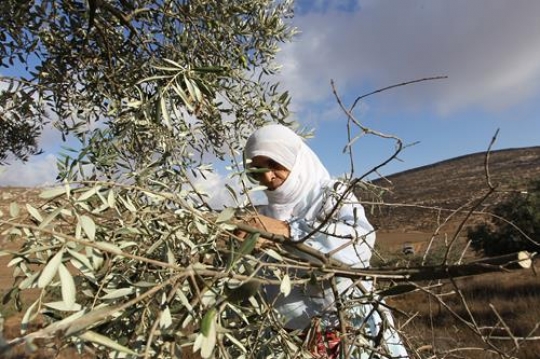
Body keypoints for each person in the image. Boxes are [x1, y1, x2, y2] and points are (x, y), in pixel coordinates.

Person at [243, 124, 409, 359]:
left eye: (274, 164)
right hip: (290, 343)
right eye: (257, 171)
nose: (267, 177)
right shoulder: (262, 213)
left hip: (348, 334)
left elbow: (358, 245)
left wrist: (287, 231)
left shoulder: (332, 195)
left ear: (294, 159)